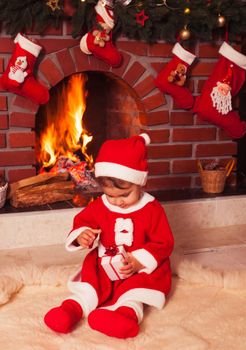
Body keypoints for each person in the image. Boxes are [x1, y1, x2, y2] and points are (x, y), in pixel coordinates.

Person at [43, 133, 174, 339]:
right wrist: (82, 236)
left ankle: (125, 315)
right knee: (91, 284)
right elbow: (83, 222)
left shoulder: (151, 208)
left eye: (124, 195)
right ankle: (71, 309)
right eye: (111, 195)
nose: (117, 202)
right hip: (105, 263)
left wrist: (139, 262)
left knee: (136, 289)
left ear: (140, 184)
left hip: (136, 268)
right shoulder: (100, 205)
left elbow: (163, 243)